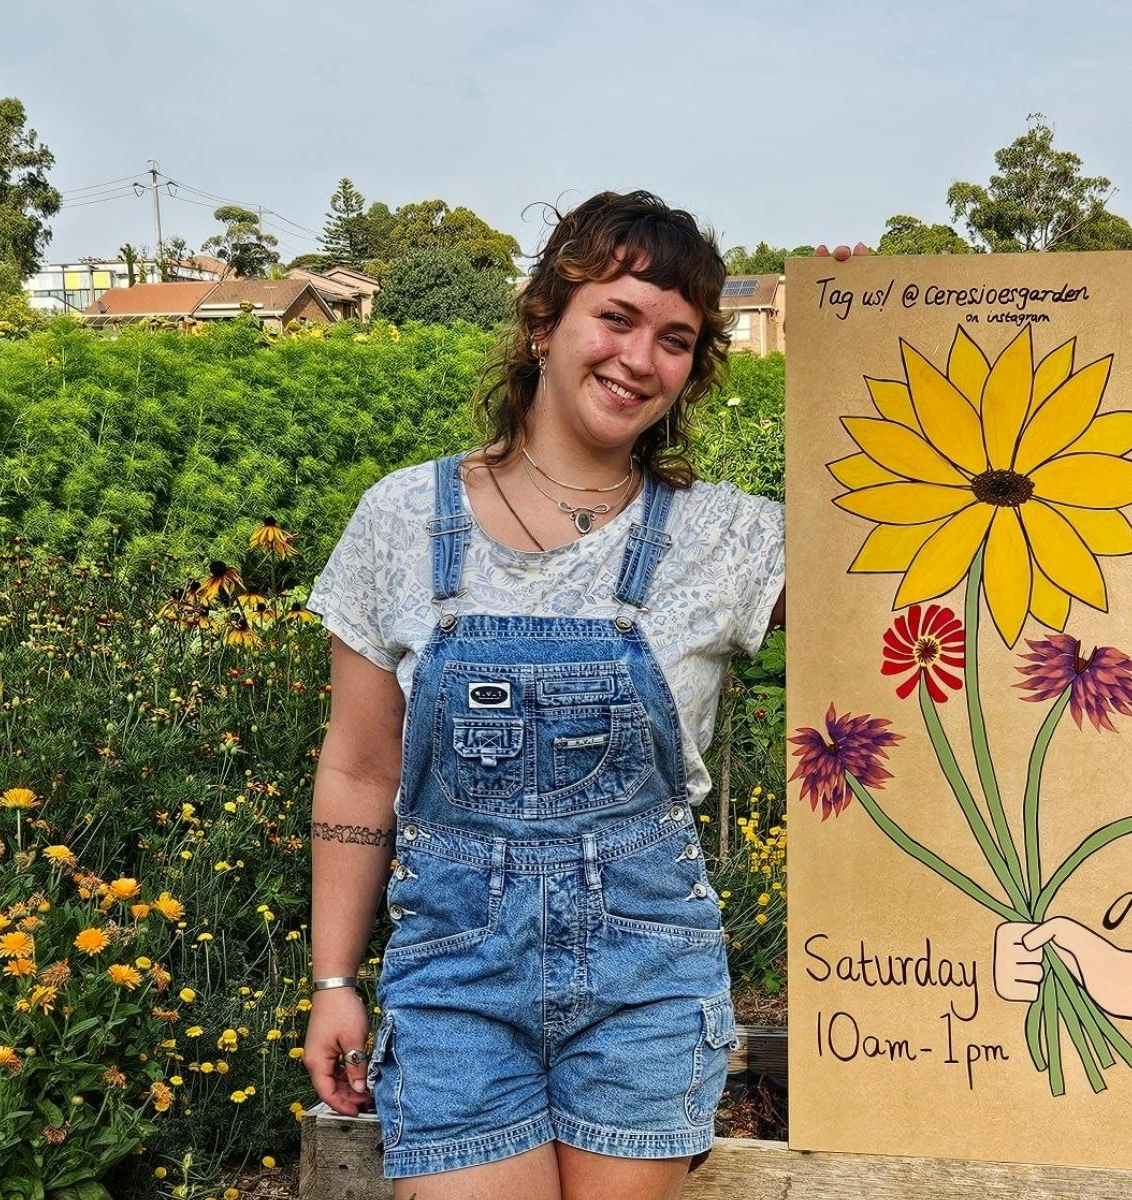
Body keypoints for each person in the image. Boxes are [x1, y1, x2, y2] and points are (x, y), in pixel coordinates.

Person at [302, 187, 864, 1199]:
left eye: (677, 338)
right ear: (542, 323)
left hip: (645, 984)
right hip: (455, 983)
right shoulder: (400, 518)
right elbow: (357, 766)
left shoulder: (731, 537)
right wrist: (334, 981)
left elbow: (918, 587)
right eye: (616, 317)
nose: (640, 358)